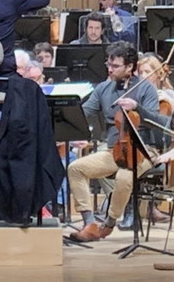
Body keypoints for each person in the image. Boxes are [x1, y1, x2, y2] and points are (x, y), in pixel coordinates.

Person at [64, 43, 163, 242]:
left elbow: (159, 122)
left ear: (129, 67)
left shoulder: (146, 90)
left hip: (144, 150)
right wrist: (64, 113)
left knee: (124, 178)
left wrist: (138, 108)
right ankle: (89, 223)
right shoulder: (103, 89)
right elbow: (84, 112)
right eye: (108, 64)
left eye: (115, 66)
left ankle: (109, 223)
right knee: (76, 168)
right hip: (114, 150)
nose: (109, 69)